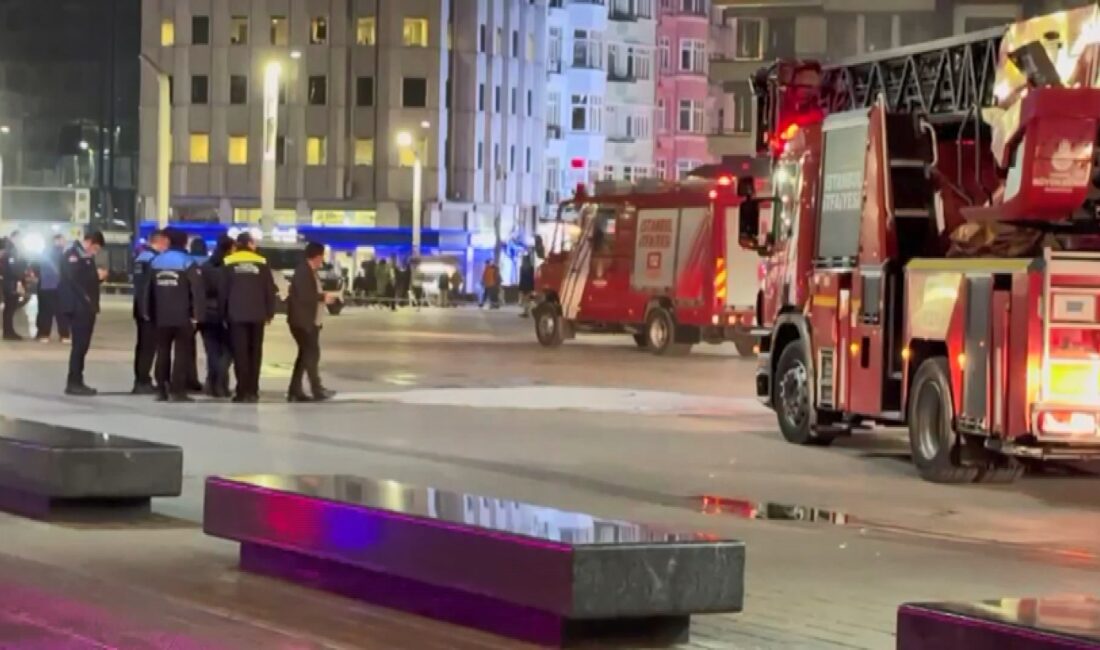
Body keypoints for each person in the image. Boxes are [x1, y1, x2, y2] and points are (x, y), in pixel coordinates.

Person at [145, 229, 203, 402]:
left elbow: (147, 290)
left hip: (161, 316)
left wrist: (148, 312)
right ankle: (178, 391)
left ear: (169, 241)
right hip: (182, 316)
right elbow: (197, 290)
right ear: (184, 243)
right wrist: (197, 314)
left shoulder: (156, 261)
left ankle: (161, 389)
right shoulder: (187, 262)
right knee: (181, 353)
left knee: (162, 351)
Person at [222, 232, 277, 403]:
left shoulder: (228, 262)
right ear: (250, 244)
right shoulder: (261, 262)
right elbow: (270, 290)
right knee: (255, 353)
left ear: (238, 244)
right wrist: (270, 312)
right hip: (257, 314)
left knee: (240, 354)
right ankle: (253, 391)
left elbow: (223, 291)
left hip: (236, 315)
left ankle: (242, 391)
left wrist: (223, 314)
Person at [286, 242, 336, 402]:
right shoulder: (303, 272)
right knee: (311, 354)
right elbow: (304, 296)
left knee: (305, 355)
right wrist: (322, 297)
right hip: (303, 321)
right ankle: (316, 388)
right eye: (322, 256)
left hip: (308, 320)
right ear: (317, 256)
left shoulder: (309, 271)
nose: (323, 260)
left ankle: (295, 390)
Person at [59, 230, 106, 396]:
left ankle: (77, 380)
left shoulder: (83, 255)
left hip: (85, 306)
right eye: (96, 248)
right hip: (79, 307)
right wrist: (88, 300)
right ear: (90, 242)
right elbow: (74, 280)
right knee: (79, 345)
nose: (96, 252)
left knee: (82, 346)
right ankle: (74, 382)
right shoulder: (74, 254)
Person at [131, 230, 168, 394]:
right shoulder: (153, 260)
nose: (166, 247)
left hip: (139, 307)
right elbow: (150, 288)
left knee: (142, 346)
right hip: (149, 309)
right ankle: (143, 381)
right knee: (148, 347)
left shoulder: (140, 258)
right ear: (159, 242)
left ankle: (141, 378)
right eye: (165, 244)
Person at [199, 236, 234, 398]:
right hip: (225, 312)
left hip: (206, 313)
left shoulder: (205, 266)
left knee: (211, 351)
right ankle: (220, 383)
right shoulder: (229, 267)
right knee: (227, 351)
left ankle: (212, 384)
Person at [35, 234, 70, 342]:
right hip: (52, 285)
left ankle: (46, 334)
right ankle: (61, 335)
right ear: (57, 241)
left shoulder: (48, 252)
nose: (65, 242)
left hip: (49, 286)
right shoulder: (57, 253)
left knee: (49, 311)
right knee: (55, 312)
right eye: (63, 240)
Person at [2, 232, 27, 340]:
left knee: (10, 308)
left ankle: (9, 331)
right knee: (10, 308)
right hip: (11, 283)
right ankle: (8, 332)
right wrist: (19, 278)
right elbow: (12, 268)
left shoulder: (10, 249)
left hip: (10, 282)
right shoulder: (11, 251)